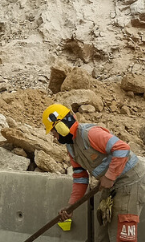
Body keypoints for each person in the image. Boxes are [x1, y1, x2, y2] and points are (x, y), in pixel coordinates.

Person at [43, 103, 145, 242]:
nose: (54, 137)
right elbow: (80, 177)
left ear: (61, 126)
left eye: (54, 132)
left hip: (129, 182)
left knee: (122, 236)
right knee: (102, 234)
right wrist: (71, 205)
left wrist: (109, 176)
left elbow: (122, 149)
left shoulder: (90, 133)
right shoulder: (71, 147)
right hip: (111, 185)